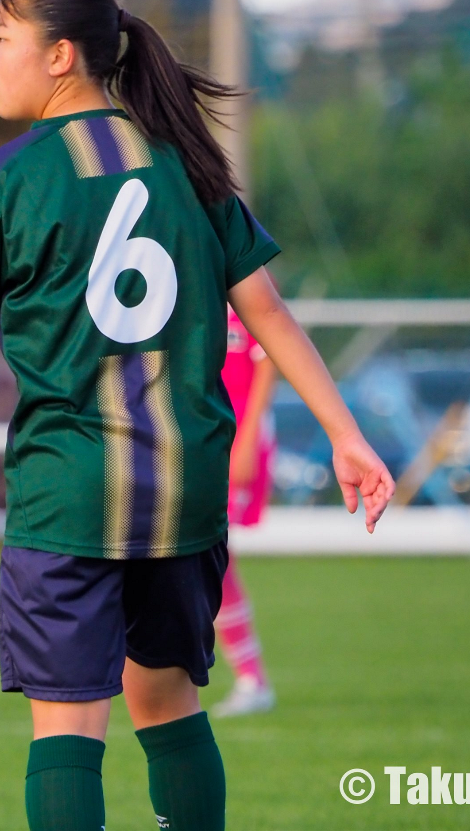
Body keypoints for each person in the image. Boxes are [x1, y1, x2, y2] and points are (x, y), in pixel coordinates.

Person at [0, 0, 395, 831]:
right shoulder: (187, 165)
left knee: (67, 726)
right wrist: (345, 433)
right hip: (181, 492)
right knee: (168, 703)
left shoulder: (5, 181)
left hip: (69, 492)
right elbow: (270, 311)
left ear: (62, 56)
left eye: (2, 37)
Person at [211, 306, 277, 717]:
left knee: (212, 555)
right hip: (202, 438)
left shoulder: (244, 275)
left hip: (237, 438)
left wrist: (248, 436)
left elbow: (268, 357)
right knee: (209, 558)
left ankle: (253, 679)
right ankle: (251, 678)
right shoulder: (189, 275)